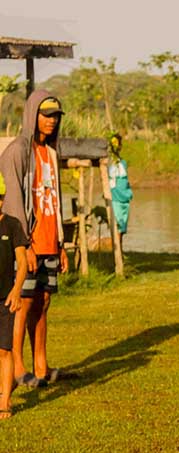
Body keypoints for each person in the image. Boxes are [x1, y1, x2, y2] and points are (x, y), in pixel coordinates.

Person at [0, 90, 67, 388]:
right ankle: (17, 367)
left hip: (51, 239)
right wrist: (22, 245)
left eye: (55, 116)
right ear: (32, 115)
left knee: (44, 301)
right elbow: (13, 201)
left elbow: (57, 199)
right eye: (45, 114)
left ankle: (41, 365)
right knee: (22, 303)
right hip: (29, 243)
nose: (51, 121)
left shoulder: (51, 153)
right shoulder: (17, 151)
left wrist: (62, 244)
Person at [0, 174, 30, 418]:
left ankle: (5, 401)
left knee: (4, 350)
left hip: (5, 299)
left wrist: (16, 290)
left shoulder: (12, 225)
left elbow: (22, 261)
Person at [107, 132, 133, 244]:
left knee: (122, 228)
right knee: (117, 227)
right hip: (115, 199)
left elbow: (125, 180)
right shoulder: (108, 163)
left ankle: (120, 253)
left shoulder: (123, 163)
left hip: (125, 198)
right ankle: (117, 255)